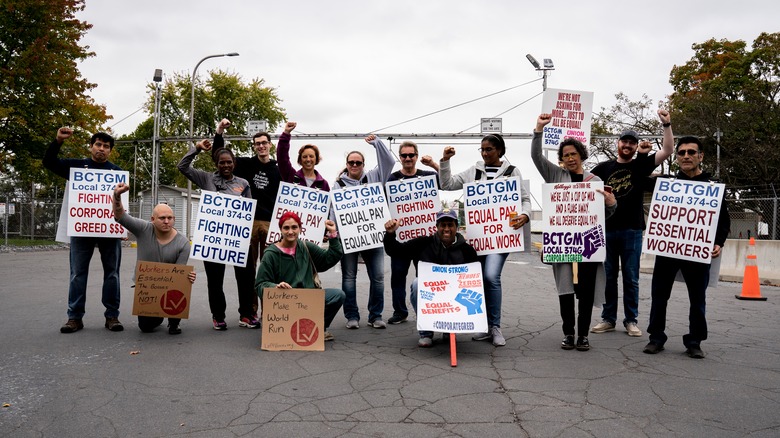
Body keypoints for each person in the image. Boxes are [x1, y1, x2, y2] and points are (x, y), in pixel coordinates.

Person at [531, 114, 617, 351]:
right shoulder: (555, 176)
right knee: (566, 290)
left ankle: (583, 335)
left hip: (589, 245)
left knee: (586, 292)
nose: (570, 158)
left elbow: (604, 217)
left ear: (581, 155)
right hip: (564, 244)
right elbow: (536, 157)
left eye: (573, 154)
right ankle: (569, 333)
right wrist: (539, 129)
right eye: (565, 155)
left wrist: (611, 203)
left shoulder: (595, 180)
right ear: (561, 159)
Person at [438, 133, 531, 346]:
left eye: (489, 149)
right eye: (482, 149)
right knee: (478, 281)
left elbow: (524, 199)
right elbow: (447, 183)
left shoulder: (511, 171)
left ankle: (495, 327)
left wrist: (525, 215)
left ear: (500, 150)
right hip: (478, 239)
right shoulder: (474, 171)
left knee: (491, 277)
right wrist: (445, 161)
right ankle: (484, 326)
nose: (485, 153)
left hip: (502, 238)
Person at [643, 137, 730, 359]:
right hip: (668, 250)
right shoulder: (666, 184)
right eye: (681, 153)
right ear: (677, 158)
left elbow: (723, 221)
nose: (686, 156)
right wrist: (644, 156)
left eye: (691, 152)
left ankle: (694, 341)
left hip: (697, 251)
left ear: (701, 156)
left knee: (697, 298)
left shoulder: (713, 189)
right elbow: (638, 178)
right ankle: (656, 338)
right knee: (659, 296)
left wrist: (718, 242)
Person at [590, 109, 674, 337]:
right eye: (624, 141)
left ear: (636, 146)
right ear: (617, 143)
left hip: (633, 230)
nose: (627, 145)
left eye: (632, 142)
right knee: (608, 277)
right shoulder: (602, 169)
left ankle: (631, 320)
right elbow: (581, 187)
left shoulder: (641, 165)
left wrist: (666, 124)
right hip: (606, 230)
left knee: (631, 277)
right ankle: (608, 318)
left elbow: (668, 150)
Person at [43, 127, 125, 333]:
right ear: (91, 147)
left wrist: (123, 224)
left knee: (112, 274)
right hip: (81, 229)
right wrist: (58, 141)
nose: (101, 149)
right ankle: (74, 318)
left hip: (109, 229)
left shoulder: (117, 172)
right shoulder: (77, 167)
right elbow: (49, 162)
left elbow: (121, 202)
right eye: (98, 144)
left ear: (110, 151)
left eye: (106, 146)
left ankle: (112, 316)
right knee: (78, 274)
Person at [177, 138, 257, 330]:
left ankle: (246, 315)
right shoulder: (206, 179)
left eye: (229, 162)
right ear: (216, 164)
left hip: (238, 239)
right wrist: (196, 149)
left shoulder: (243, 183)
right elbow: (182, 166)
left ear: (234, 163)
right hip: (214, 240)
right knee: (215, 280)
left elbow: (249, 210)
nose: (226, 165)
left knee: (246, 278)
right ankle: (218, 316)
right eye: (222, 162)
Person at [212, 119, 282, 319]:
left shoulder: (278, 170)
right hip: (248, 222)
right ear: (254, 147)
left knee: (270, 269)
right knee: (249, 270)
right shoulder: (245, 164)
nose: (261, 146)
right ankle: (251, 312)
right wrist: (219, 131)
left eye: (264, 143)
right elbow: (218, 155)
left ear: (270, 145)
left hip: (270, 223)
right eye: (257, 143)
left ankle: (271, 310)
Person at [383, 209, 479, 347]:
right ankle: (426, 332)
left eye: (450, 225)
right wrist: (390, 234)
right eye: (443, 225)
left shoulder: (467, 250)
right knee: (416, 284)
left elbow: (475, 282)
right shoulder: (422, 243)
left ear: (456, 227)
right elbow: (396, 251)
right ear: (437, 227)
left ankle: (450, 329)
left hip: (455, 298)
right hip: (430, 296)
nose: (446, 229)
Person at [111, 183, 196, 334]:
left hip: (171, 288)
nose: (166, 221)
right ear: (152, 219)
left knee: (181, 287)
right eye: (162, 218)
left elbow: (180, 275)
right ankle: (157, 316)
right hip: (147, 289)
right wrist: (117, 196)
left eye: (170, 218)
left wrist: (187, 276)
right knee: (146, 327)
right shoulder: (143, 229)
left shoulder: (183, 243)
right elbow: (120, 215)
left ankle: (174, 321)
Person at [333, 134, 394, 329]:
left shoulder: (375, 177)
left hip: (373, 237)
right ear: (347, 164)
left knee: (378, 277)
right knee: (349, 277)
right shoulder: (338, 184)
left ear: (363, 164)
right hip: (349, 238)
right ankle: (352, 316)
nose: (355, 165)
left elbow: (390, 161)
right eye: (351, 162)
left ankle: (375, 316)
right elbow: (334, 209)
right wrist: (333, 231)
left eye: (358, 162)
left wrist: (377, 144)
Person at [255, 212, 346, 341]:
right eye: (286, 228)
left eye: (294, 227)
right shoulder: (270, 254)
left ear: (300, 229)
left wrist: (332, 235)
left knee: (338, 295)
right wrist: (275, 287)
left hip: (308, 299)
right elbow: (260, 284)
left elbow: (328, 259)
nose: (290, 232)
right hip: (286, 304)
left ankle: (318, 328)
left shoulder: (305, 246)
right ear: (281, 230)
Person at [385, 140, 440, 325]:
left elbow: (447, 180)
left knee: (425, 279)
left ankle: (427, 311)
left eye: (411, 155)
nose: (408, 158)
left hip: (424, 241)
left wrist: (433, 164)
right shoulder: (391, 179)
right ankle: (400, 311)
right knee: (397, 277)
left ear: (417, 156)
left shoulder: (428, 175)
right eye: (404, 155)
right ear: (400, 158)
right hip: (401, 240)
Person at [276, 121, 330, 190]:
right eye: (304, 157)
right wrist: (286, 133)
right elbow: (282, 158)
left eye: (311, 156)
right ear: (300, 160)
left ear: (316, 159)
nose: (308, 159)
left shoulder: (323, 184)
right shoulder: (291, 177)